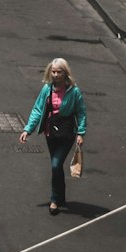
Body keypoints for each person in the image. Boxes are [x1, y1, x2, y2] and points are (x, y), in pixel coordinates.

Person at [19, 58, 87, 215]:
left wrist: (81, 132)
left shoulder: (74, 91)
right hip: (51, 133)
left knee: (56, 165)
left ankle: (54, 200)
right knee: (56, 167)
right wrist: (27, 130)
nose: (55, 75)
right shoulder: (47, 89)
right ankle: (61, 196)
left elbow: (81, 112)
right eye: (53, 71)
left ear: (65, 73)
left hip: (67, 133)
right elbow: (37, 109)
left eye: (59, 72)